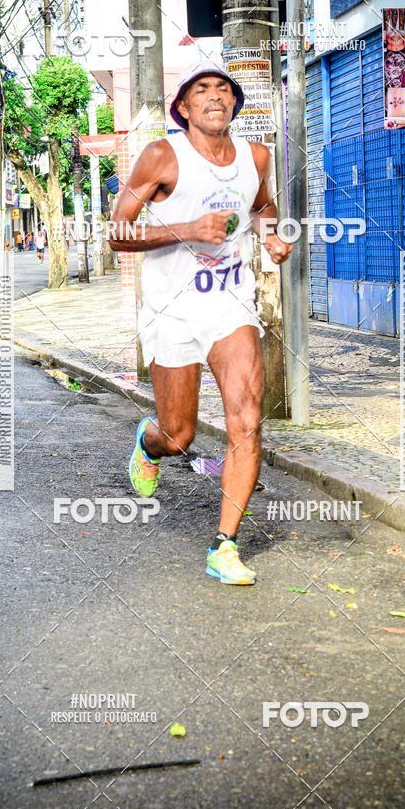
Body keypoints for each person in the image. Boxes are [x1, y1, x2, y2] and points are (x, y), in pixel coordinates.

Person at [109, 60, 291, 586]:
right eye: (201, 89)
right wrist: (185, 227)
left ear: (234, 103)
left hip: (229, 303)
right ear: (183, 107)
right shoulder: (163, 156)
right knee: (180, 433)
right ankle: (149, 441)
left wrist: (272, 236)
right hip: (172, 308)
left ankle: (224, 545)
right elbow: (118, 233)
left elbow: (263, 205)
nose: (215, 96)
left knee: (246, 421)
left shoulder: (256, 156)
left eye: (223, 89)